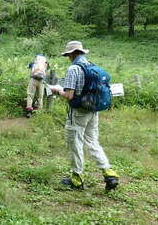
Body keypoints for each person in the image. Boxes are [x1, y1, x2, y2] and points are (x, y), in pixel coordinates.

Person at [50, 41, 119, 190]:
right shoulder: (90, 65)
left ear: (72, 54)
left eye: (68, 55)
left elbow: (69, 95)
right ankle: (109, 173)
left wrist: (57, 90)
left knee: (75, 143)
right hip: (93, 110)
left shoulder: (73, 69)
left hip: (79, 112)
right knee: (93, 142)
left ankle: (77, 178)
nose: (68, 57)